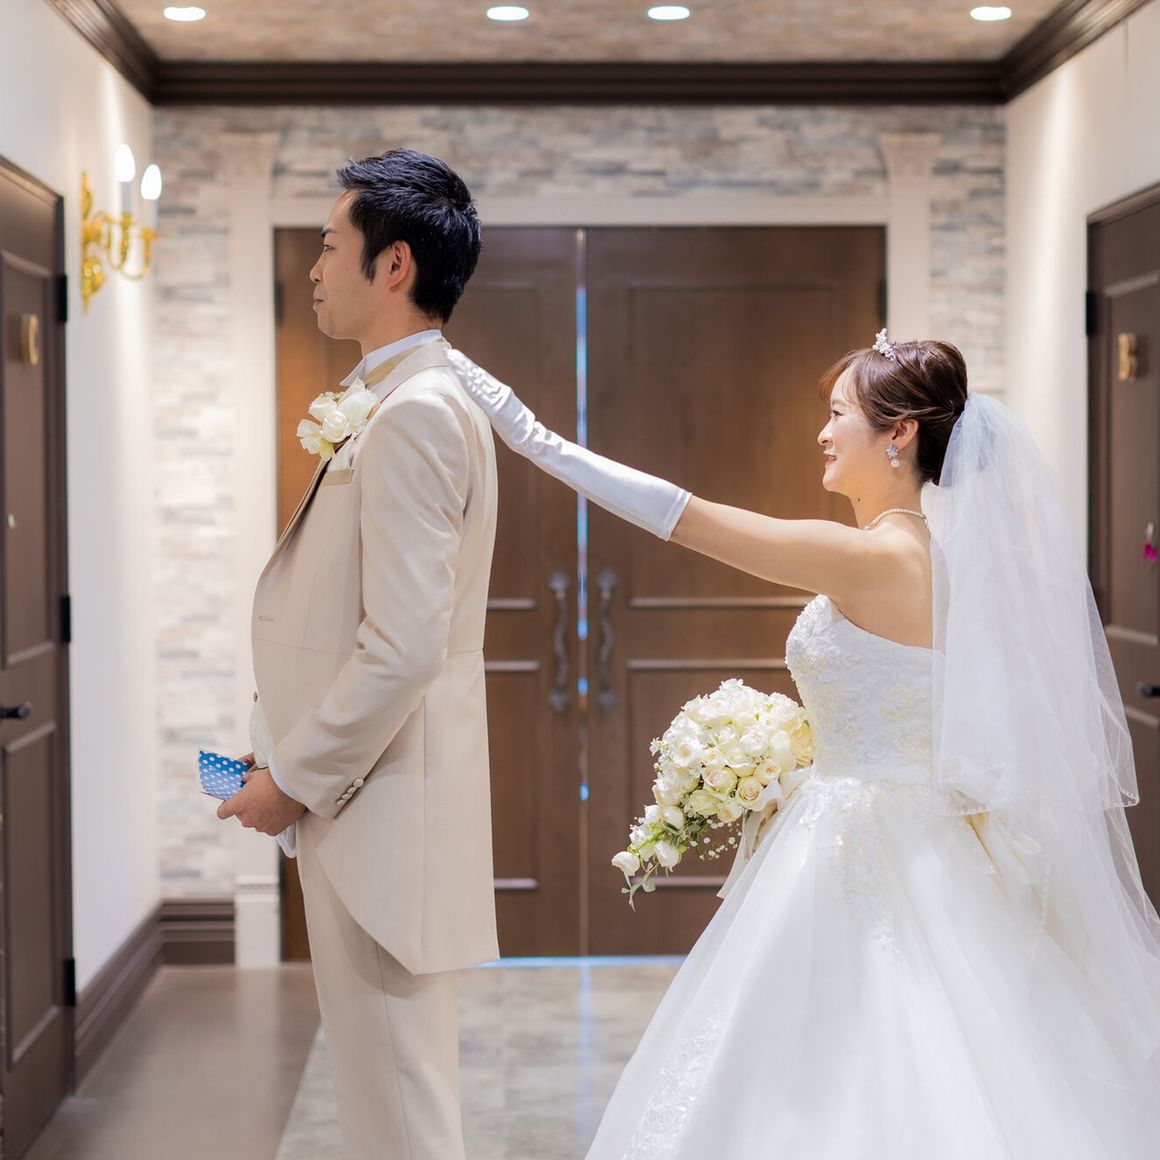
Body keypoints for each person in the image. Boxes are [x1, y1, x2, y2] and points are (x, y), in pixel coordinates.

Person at [446, 334, 1160, 1158]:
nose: (822, 433)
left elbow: (686, 518)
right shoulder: (935, 558)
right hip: (920, 834)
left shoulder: (871, 556)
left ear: (899, 434)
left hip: (862, 840)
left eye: (838, 414)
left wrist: (531, 435)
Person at [217, 149, 498, 1160]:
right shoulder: (393, 398)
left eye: (331, 245)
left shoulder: (417, 412)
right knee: (386, 1106)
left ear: (395, 265)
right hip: (363, 804)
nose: (314, 266)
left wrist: (290, 778)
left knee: (401, 1116)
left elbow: (403, 647)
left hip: (381, 815)